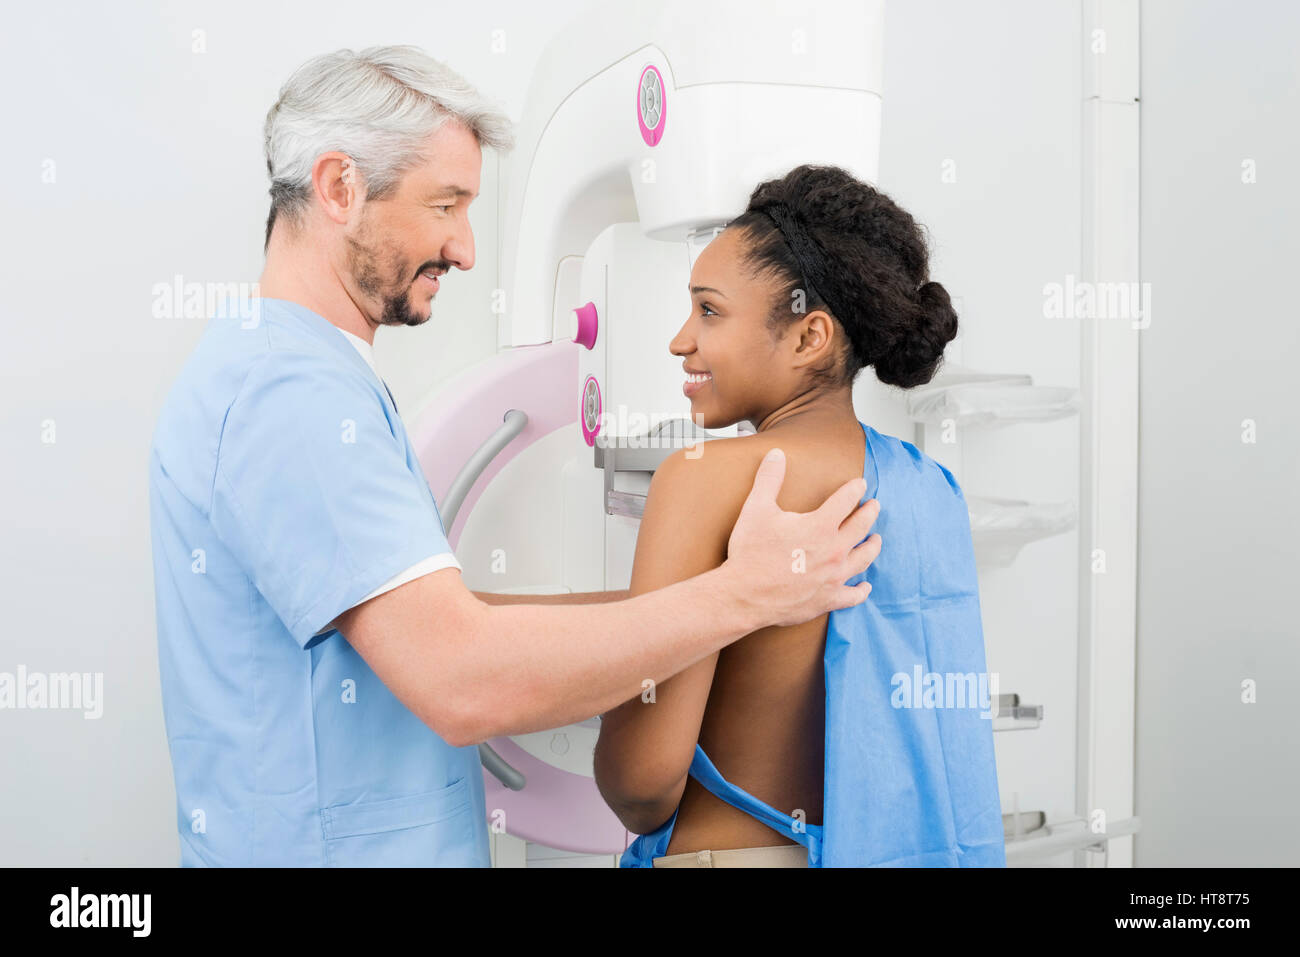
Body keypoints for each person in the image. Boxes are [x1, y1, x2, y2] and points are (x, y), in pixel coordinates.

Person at [147, 47, 882, 867]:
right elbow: (462, 677)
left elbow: (439, 621)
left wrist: (685, 588)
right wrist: (737, 597)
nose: (464, 249)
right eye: (447, 204)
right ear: (338, 187)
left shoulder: (302, 375)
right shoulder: (290, 398)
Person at [595, 165, 1005, 868]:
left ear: (810, 336)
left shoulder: (703, 479)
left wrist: (603, 706)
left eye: (709, 311)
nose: (680, 341)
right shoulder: (929, 487)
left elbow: (641, 787)